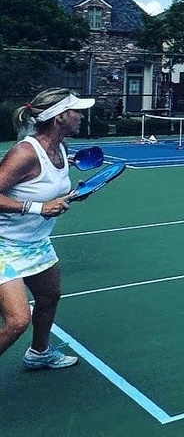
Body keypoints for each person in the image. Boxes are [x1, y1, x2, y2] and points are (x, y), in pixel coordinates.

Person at [0, 88, 95, 372]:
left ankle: (39, 352)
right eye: (76, 111)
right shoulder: (25, 153)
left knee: (49, 297)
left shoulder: (61, 149)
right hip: (3, 245)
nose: (81, 116)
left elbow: (48, 190)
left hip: (36, 243)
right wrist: (38, 208)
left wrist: (72, 195)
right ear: (60, 117)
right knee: (17, 321)